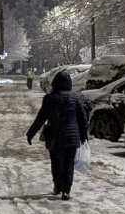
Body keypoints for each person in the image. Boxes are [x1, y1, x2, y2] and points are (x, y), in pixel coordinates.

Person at [26, 71, 88, 200]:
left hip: (55, 136)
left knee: (56, 162)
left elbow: (41, 118)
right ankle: (66, 190)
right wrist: (84, 136)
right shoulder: (76, 98)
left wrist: (30, 133)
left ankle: (58, 186)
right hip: (72, 137)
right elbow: (82, 119)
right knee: (69, 164)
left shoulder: (50, 99)